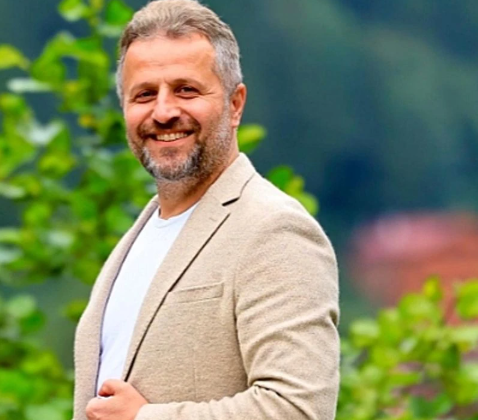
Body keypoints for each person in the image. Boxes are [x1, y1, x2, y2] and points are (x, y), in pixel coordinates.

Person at [73, 0, 340, 419]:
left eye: (186, 90)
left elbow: (299, 408)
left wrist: (146, 418)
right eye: (144, 94)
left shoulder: (275, 229)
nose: (163, 112)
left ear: (235, 104)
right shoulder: (140, 237)